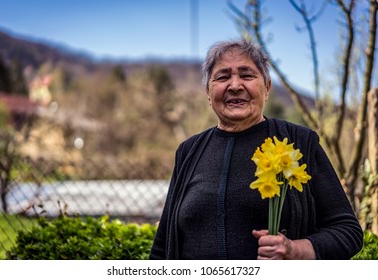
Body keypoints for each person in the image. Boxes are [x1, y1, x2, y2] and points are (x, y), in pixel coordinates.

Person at [149, 38, 363, 260]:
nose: (234, 86)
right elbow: (162, 246)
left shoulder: (298, 143)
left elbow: (348, 232)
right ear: (208, 92)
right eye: (222, 77)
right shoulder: (189, 151)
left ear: (267, 87)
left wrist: (294, 250)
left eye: (247, 75)